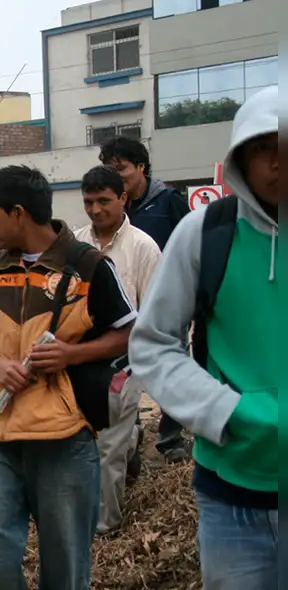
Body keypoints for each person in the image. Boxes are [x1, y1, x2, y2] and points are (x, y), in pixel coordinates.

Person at [129, 86, 278, 589]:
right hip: (229, 493)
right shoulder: (204, 233)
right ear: (240, 156)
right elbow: (152, 342)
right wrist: (223, 411)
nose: (278, 161)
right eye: (264, 147)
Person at [0, 165, 137, 590]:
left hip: (64, 437)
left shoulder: (88, 267)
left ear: (18, 213)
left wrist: (70, 354)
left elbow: (131, 332)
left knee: (65, 568)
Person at [74, 165, 162, 535]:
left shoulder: (142, 247)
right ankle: (131, 439)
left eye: (104, 201)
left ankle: (105, 527)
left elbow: (153, 310)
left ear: (123, 198)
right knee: (85, 443)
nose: (95, 210)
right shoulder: (75, 246)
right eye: (89, 202)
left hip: (124, 364)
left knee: (107, 450)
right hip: (78, 362)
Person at [98, 136, 191, 462]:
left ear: (141, 167)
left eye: (121, 168)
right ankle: (131, 438)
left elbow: (193, 247)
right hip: (124, 310)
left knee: (170, 368)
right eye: (110, 168)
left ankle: (171, 439)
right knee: (123, 375)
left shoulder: (168, 203)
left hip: (169, 303)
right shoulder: (114, 206)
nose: (116, 174)